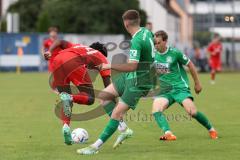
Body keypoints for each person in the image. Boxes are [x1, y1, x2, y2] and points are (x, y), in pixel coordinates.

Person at [77, 9, 155, 155]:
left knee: (116, 113)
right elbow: (154, 43)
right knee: (104, 96)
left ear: (126, 24)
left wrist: (109, 65)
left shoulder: (137, 40)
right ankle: (124, 129)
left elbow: (132, 65)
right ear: (138, 21)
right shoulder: (146, 32)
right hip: (132, 76)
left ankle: (94, 147)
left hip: (139, 81)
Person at [47, 41, 129, 145]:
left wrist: (49, 51)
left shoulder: (79, 47)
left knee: (67, 100)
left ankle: (66, 126)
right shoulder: (101, 57)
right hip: (73, 62)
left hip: (57, 61)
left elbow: (60, 42)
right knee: (90, 98)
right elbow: (108, 89)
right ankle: (69, 97)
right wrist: (117, 110)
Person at [152, 30, 218, 141]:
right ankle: (168, 134)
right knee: (156, 110)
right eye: (155, 43)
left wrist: (197, 83)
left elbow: (190, 65)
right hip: (165, 90)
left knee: (192, 112)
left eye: (158, 43)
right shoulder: (153, 55)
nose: (156, 45)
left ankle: (211, 130)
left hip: (179, 88)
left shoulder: (175, 53)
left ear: (165, 41)